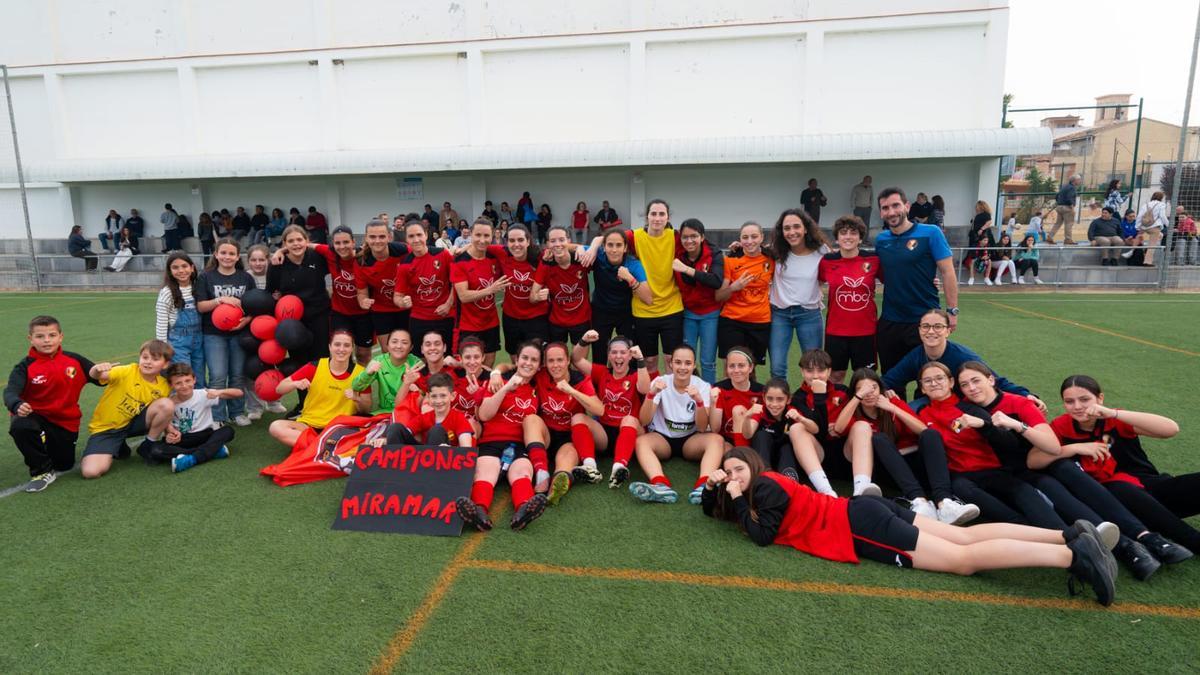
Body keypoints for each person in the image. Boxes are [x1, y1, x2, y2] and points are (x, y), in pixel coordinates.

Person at [700, 447, 1119, 607]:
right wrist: (715, 487)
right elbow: (713, 512)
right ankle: (1068, 533)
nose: (733, 474)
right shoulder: (759, 489)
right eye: (727, 470)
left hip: (856, 525)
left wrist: (736, 494)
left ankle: (1072, 555)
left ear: (754, 467)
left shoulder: (767, 486)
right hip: (864, 510)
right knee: (964, 536)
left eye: (738, 468)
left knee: (963, 560)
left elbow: (761, 537)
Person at [956, 361, 1189, 580]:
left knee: (1066, 474)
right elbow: (1034, 459)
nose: (971, 388)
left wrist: (1017, 425)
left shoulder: (1020, 403)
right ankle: (1126, 545)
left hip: (1055, 468)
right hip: (1021, 473)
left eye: (976, 380)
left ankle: (1143, 539)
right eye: (965, 384)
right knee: (1057, 489)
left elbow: (1049, 446)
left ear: (991, 379)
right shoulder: (964, 410)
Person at [1051, 374, 1200, 555]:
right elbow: (1034, 461)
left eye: (1084, 399)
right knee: (1120, 488)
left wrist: (1114, 413)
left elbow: (1170, 429)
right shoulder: (1060, 426)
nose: (1077, 406)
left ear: (1100, 398)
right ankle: (1192, 540)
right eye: (1069, 401)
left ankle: (1162, 521)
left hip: (1151, 487)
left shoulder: (1114, 419)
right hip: (1116, 503)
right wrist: (1075, 448)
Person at [832, 368, 979, 524]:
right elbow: (839, 428)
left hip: (909, 463)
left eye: (873, 388)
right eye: (861, 389)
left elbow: (922, 429)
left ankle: (945, 503)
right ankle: (919, 501)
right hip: (884, 469)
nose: (869, 393)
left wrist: (892, 407)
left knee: (931, 434)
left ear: (880, 389)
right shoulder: (852, 408)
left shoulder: (892, 402)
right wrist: (857, 397)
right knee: (879, 439)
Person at [583, 198, 683, 377]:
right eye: (653, 214)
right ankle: (642, 397)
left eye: (662, 214)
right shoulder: (634, 236)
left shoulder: (675, 236)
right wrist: (592, 248)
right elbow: (606, 237)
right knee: (648, 360)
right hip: (642, 310)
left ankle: (668, 400)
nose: (657, 218)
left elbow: (699, 243)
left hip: (671, 306)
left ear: (668, 217)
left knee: (670, 359)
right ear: (646, 217)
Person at [456, 341, 549, 532]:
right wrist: (505, 388)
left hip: (519, 444)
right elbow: (484, 415)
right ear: (517, 359)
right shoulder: (498, 381)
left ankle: (524, 509)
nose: (528, 363)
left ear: (539, 366)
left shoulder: (537, 386)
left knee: (522, 471)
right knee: (485, 472)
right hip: (492, 441)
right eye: (524, 358)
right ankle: (478, 512)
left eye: (534, 360)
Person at [5, 316, 102, 491]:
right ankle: (41, 471)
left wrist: (101, 372)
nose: (47, 340)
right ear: (31, 339)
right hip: (36, 416)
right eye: (40, 336)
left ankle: (43, 442)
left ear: (60, 336)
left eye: (52, 335)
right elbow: (10, 391)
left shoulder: (74, 360)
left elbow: (99, 377)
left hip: (66, 423)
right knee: (20, 424)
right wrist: (17, 404)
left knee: (64, 465)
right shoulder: (24, 367)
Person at [873, 187, 959, 375]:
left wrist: (952, 311)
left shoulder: (931, 233)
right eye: (885, 208)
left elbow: (948, 272)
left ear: (906, 206)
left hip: (925, 320)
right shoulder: (881, 240)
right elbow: (883, 273)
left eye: (896, 205)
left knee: (929, 380)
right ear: (881, 212)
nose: (891, 212)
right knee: (891, 382)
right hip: (890, 322)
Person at [627, 344, 726, 505]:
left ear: (694, 365)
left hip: (690, 440)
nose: (682, 367)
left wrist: (699, 402)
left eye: (687, 363)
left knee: (716, 440)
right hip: (663, 439)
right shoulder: (661, 382)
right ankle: (660, 485)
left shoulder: (702, 386)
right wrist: (651, 395)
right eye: (678, 362)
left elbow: (701, 428)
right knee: (641, 442)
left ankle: (704, 485)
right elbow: (644, 420)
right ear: (671, 364)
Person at [882, 309, 1040, 408]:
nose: (931, 331)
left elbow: (994, 380)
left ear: (948, 331)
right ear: (919, 330)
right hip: (929, 403)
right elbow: (889, 380)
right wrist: (884, 389)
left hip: (962, 405)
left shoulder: (963, 357)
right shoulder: (916, 355)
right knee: (910, 413)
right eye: (925, 326)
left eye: (938, 327)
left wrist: (1026, 395)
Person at [80, 340, 175, 480]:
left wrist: (169, 430)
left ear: (165, 364)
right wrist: (96, 370)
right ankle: (119, 447)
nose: (148, 362)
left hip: (133, 424)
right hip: (107, 429)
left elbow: (162, 411)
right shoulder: (127, 371)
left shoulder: (163, 385)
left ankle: (148, 445)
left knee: (167, 404)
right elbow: (99, 376)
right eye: (145, 357)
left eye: (155, 359)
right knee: (91, 472)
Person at [571, 332, 650, 488]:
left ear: (630, 356)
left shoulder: (636, 375)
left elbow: (645, 388)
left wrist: (640, 360)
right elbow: (577, 360)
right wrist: (584, 340)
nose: (618, 356)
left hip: (631, 432)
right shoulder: (602, 373)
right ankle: (590, 467)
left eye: (623, 352)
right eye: (614, 352)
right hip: (605, 433)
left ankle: (619, 467)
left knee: (628, 419)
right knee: (578, 417)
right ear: (608, 355)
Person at [531, 342, 605, 505]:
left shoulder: (580, 380)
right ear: (545, 363)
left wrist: (571, 391)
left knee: (567, 459)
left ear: (568, 362)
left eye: (560, 360)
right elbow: (510, 367)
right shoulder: (541, 375)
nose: (555, 365)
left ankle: (555, 489)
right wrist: (496, 372)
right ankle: (542, 473)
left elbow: (599, 410)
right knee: (532, 420)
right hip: (547, 435)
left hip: (569, 437)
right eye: (551, 361)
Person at [268, 331, 370, 447]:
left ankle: (315, 447)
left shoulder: (361, 373)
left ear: (352, 348)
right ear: (330, 347)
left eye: (346, 345)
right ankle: (326, 446)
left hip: (340, 428)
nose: (341, 349)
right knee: (275, 427)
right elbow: (279, 389)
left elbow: (366, 409)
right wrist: (295, 384)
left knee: (370, 435)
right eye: (337, 344)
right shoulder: (314, 367)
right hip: (310, 424)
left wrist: (356, 398)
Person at [195, 238, 255, 426]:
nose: (227, 257)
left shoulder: (245, 278)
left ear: (238, 257)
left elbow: (254, 305)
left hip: (239, 333)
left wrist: (246, 320)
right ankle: (217, 416)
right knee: (218, 375)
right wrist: (221, 300)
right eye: (223, 253)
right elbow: (201, 306)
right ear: (216, 254)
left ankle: (237, 412)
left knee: (237, 374)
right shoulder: (206, 277)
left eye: (231, 254)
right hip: (213, 334)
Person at [767, 209, 829, 379]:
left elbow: (834, 270)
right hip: (779, 314)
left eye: (796, 227)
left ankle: (812, 403)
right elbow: (752, 251)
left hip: (809, 314)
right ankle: (780, 404)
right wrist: (738, 247)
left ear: (806, 228)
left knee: (814, 367)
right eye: (787, 228)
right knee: (777, 367)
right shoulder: (775, 251)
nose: (792, 232)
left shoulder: (821, 251)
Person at [818, 215, 879, 384]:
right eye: (843, 232)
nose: (848, 236)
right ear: (837, 237)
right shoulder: (827, 261)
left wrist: (929, 281)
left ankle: (861, 410)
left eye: (853, 232)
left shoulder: (873, 260)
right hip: (836, 331)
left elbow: (896, 280)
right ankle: (838, 410)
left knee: (866, 378)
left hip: (866, 331)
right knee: (835, 377)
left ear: (860, 238)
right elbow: (813, 280)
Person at [267, 225, 332, 378]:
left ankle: (321, 400)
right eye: (291, 241)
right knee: (299, 361)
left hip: (319, 316)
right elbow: (270, 291)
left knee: (321, 359)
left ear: (307, 241)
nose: (296, 244)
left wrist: (281, 250)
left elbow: (335, 253)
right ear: (284, 243)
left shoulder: (317, 257)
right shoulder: (277, 264)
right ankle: (303, 402)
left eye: (299, 239)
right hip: (293, 321)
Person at [786, 349, 850, 497]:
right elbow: (819, 431)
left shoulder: (843, 392)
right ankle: (826, 491)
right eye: (809, 371)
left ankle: (862, 486)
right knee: (796, 429)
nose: (815, 376)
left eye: (821, 370)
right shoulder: (798, 398)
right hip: (817, 456)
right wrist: (819, 395)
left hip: (845, 455)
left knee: (861, 427)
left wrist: (843, 426)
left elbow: (858, 417)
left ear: (829, 371)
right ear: (802, 372)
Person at [154, 363, 238, 473]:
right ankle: (214, 451)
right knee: (155, 449)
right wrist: (170, 434)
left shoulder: (203, 394)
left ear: (194, 380)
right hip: (182, 439)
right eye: (178, 383)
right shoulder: (168, 402)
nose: (184, 386)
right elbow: (166, 423)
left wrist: (219, 392)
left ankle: (191, 459)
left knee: (228, 431)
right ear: (171, 385)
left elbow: (238, 393)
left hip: (205, 435)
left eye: (187, 381)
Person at [395, 219, 456, 358]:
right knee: (420, 360)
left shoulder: (443, 254)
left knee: (448, 359)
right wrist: (402, 302)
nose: (416, 240)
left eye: (419, 235)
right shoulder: (405, 265)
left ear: (426, 235)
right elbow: (397, 296)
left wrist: (448, 304)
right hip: (419, 319)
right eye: (411, 236)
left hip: (446, 316)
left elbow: (456, 283)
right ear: (406, 239)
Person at [673, 218, 724, 384]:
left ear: (702, 237)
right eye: (685, 237)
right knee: (687, 360)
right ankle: (687, 395)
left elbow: (716, 281)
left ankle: (708, 397)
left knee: (707, 361)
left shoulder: (714, 254)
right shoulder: (679, 252)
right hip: (688, 313)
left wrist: (687, 270)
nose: (689, 241)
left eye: (694, 236)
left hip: (710, 313)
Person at [717, 222, 774, 367]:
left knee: (750, 368)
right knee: (731, 367)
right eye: (745, 237)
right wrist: (733, 287)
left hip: (759, 321)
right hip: (732, 321)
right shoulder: (730, 260)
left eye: (754, 236)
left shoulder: (771, 259)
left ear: (762, 237)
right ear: (740, 240)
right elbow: (719, 297)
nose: (749, 241)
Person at [590, 227, 650, 363]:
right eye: (610, 245)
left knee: (630, 353)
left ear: (625, 248)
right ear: (603, 247)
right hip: (601, 311)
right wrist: (586, 249)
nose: (614, 249)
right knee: (599, 354)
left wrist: (630, 278)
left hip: (626, 313)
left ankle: (630, 382)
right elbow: (568, 246)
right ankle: (599, 383)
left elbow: (648, 298)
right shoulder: (598, 255)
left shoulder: (633, 264)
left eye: (619, 245)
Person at [452, 218, 507, 365]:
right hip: (467, 325)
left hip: (491, 323)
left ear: (493, 235)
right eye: (478, 235)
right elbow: (463, 296)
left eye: (486, 236)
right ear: (471, 234)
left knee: (487, 369)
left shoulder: (494, 257)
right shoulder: (460, 261)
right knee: (468, 369)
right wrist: (490, 289)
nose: (482, 240)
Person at [355, 219, 413, 359]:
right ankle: (390, 381)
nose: (377, 241)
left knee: (409, 351)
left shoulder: (403, 251)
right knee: (388, 353)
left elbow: (426, 254)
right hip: (382, 311)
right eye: (373, 237)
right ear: (366, 238)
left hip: (407, 308)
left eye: (381, 236)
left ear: (389, 236)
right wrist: (363, 301)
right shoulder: (361, 261)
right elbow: (362, 292)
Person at [490, 224, 549, 358]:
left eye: (521, 240)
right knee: (515, 356)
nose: (516, 244)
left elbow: (562, 246)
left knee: (538, 357)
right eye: (512, 240)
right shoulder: (502, 253)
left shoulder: (541, 256)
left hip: (537, 317)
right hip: (511, 317)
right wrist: (457, 249)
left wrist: (588, 247)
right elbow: (479, 244)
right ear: (507, 242)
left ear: (528, 241)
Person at [532, 225, 592, 346]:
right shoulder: (545, 265)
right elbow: (532, 297)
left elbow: (600, 249)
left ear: (568, 241)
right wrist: (538, 297)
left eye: (561, 239)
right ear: (548, 244)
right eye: (553, 241)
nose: (557, 244)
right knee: (557, 359)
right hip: (556, 322)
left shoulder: (581, 259)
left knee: (579, 361)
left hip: (582, 320)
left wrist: (581, 247)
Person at [383, 372, 474, 447]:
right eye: (434, 396)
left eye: (443, 396)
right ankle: (395, 465)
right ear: (428, 397)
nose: (438, 401)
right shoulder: (424, 417)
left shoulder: (459, 418)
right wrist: (385, 441)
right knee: (395, 428)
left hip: (446, 462)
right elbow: (404, 434)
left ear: (452, 396)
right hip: (423, 459)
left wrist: (450, 451)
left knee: (437, 431)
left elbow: (466, 448)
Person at [155, 251, 205, 385]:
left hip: (199, 341)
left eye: (184, 266)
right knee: (182, 379)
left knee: (198, 378)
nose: (181, 270)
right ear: (170, 271)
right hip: (177, 344)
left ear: (192, 268)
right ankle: (179, 406)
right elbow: (161, 323)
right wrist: (163, 352)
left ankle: (198, 406)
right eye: (175, 268)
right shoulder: (167, 292)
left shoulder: (198, 287)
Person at [738, 378, 803, 480]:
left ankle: (789, 480)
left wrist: (801, 419)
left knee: (787, 446)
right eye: (770, 399)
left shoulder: (792, 413)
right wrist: (747, 416)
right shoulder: (760, 411)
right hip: (764, 454)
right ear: (764, 398)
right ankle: (763, 475)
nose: (774, 404)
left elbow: (814, 430)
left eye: (780, 399)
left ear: (788, 399)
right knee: (761, 435)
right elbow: (748, 434)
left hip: (785, 457)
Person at [352, 328, 422, 415]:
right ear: (387, 345)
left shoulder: (416, 364)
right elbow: (356, 386)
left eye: (404, 343)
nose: (399, 346)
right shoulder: (379, 361)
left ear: (411, 347)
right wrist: (367, 373)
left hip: (408, 412)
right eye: (394, 342)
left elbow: (424, 397)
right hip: (384, 413)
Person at [709, 348, 764, 449]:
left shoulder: (761, 392)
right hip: (727, 440)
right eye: (731, 366)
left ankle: (743, 455)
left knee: (739, 411)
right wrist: (713, 403)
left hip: (752, 438)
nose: (736, 370)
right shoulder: (719, 389)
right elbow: (715, 429)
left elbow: (754, 430)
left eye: (741, 365)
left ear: (751, 367)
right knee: (723, 450)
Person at [965, 201, 995, 286]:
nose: (976, 208)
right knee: (973, 257)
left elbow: (989, 222)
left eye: (977, 206)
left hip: (982, 235)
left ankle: (987, 277)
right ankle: (972, 277)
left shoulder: (986, 214)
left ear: (981, 206)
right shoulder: (977, 215)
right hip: (975, 237)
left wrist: (982, 229)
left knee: (986, 256)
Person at [1136, 191, 1168, 266]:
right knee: (1152, 245)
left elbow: (1140, 216)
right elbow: (1162, 216)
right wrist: (1169, 225)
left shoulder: (1146, 204)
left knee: (1160, 235)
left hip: (1144, 226)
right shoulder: (1161, 204)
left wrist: (1137, 226)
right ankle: (1147, 262)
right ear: (1161, 198)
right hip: (1155, 227)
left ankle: (1143, 249)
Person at [1047, 174, 1081, 245]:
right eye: (1079, 180)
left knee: (1058, 223)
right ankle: (1068, 239)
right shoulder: (1072, 188)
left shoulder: (1064, 186)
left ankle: (1050, 236)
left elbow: (1057, 196)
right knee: (1069, 224)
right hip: (1067, 207)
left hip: (1059, 207)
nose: (1080, 181)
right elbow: (1069, 198)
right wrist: (1072, 208)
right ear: (1075, 181)